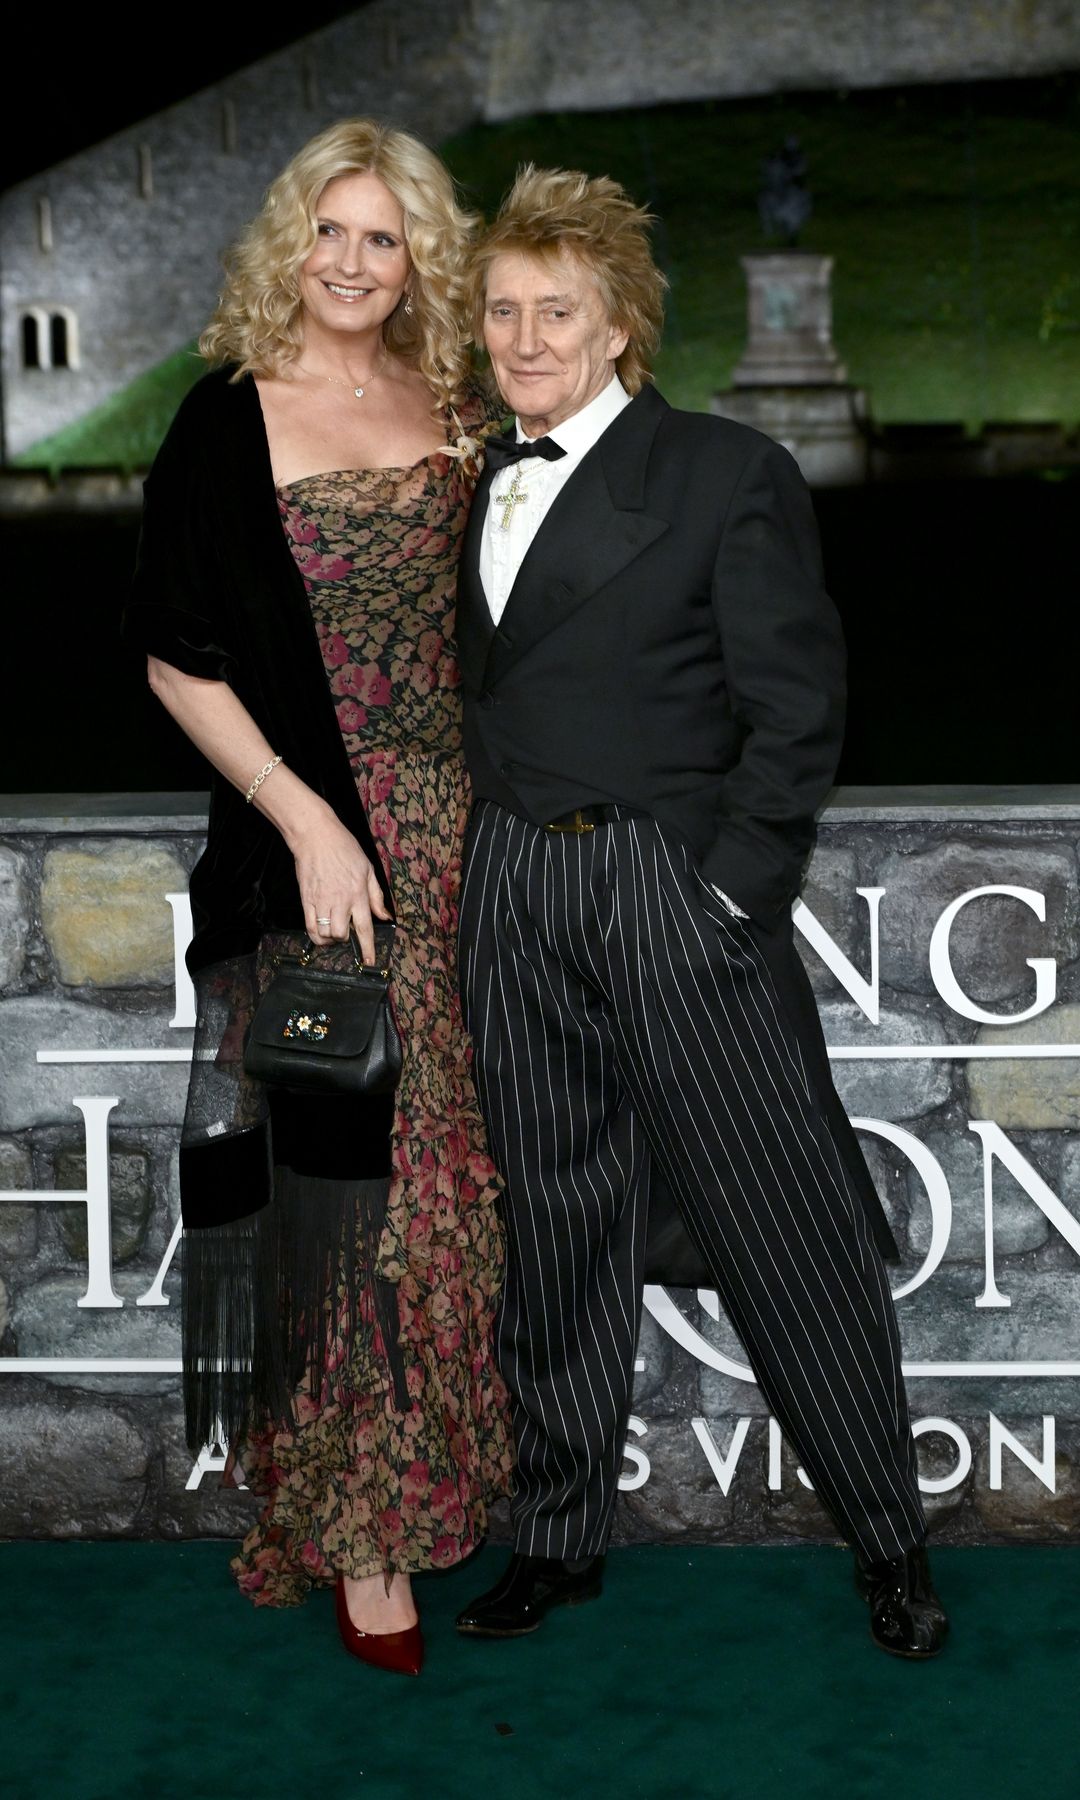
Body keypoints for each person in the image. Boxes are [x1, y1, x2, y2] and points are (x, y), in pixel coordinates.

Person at [450, 165, 948, 1659]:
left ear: (618, 329)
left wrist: (731, 890)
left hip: (668, 885)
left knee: (786, 1219)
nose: (525, 339)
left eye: (557, 312)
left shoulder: (727, 473)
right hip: (516, 888)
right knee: (554, 1225)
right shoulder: (481, 472)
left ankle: (891, 1544)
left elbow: (797, 712)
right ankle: (555, 1537)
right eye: (501, 312)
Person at [123, 118, 513, 1676]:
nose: (356, 264)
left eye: (388, 237)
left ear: (424, 253)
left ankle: (450, 1488)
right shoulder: (228, 416)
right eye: (333, 233)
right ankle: (360, 1537)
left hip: (474, 841)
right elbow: (172, 652)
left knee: (462, 1195)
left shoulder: (457, 401)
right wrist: (302, 822)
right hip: (323, 856)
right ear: (294, 241)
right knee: (351, 1199)